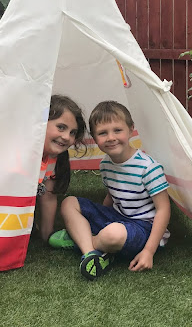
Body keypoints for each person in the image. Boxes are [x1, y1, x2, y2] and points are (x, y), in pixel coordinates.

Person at [49, 100, 171, 280]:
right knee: (69, 202)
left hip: (143, 229)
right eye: (102, 133)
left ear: (131, 129)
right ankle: (92, 254)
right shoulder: (106, 164)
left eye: (117, 130)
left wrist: (148, 251)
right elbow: (112, 196)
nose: (111, 137)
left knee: (112, 234)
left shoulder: (148, 168)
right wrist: (98, 217)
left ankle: (81, 240)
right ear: (95, 138)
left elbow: (164, 209)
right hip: (117, 218)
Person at [36, 94, 87, 242]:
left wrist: (47, 235)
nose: (66, 137)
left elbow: (49, 197)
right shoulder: (20, 153)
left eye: (72, 133)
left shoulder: (53, 158)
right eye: (61, 127)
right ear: (41, 122)